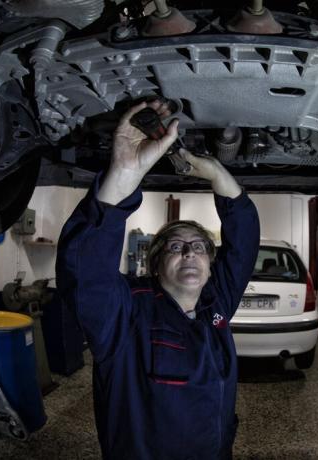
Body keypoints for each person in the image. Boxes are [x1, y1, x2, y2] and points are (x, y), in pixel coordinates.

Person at [56, 100, 260, 459]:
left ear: (211, 263)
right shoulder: (126, 315)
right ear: (154, 264)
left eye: (199, 246)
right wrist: (122, 174)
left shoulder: (217, 304)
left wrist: (217, 175)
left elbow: (243, 245)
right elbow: (86, 271)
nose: (190, 253)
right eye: (176, 246)